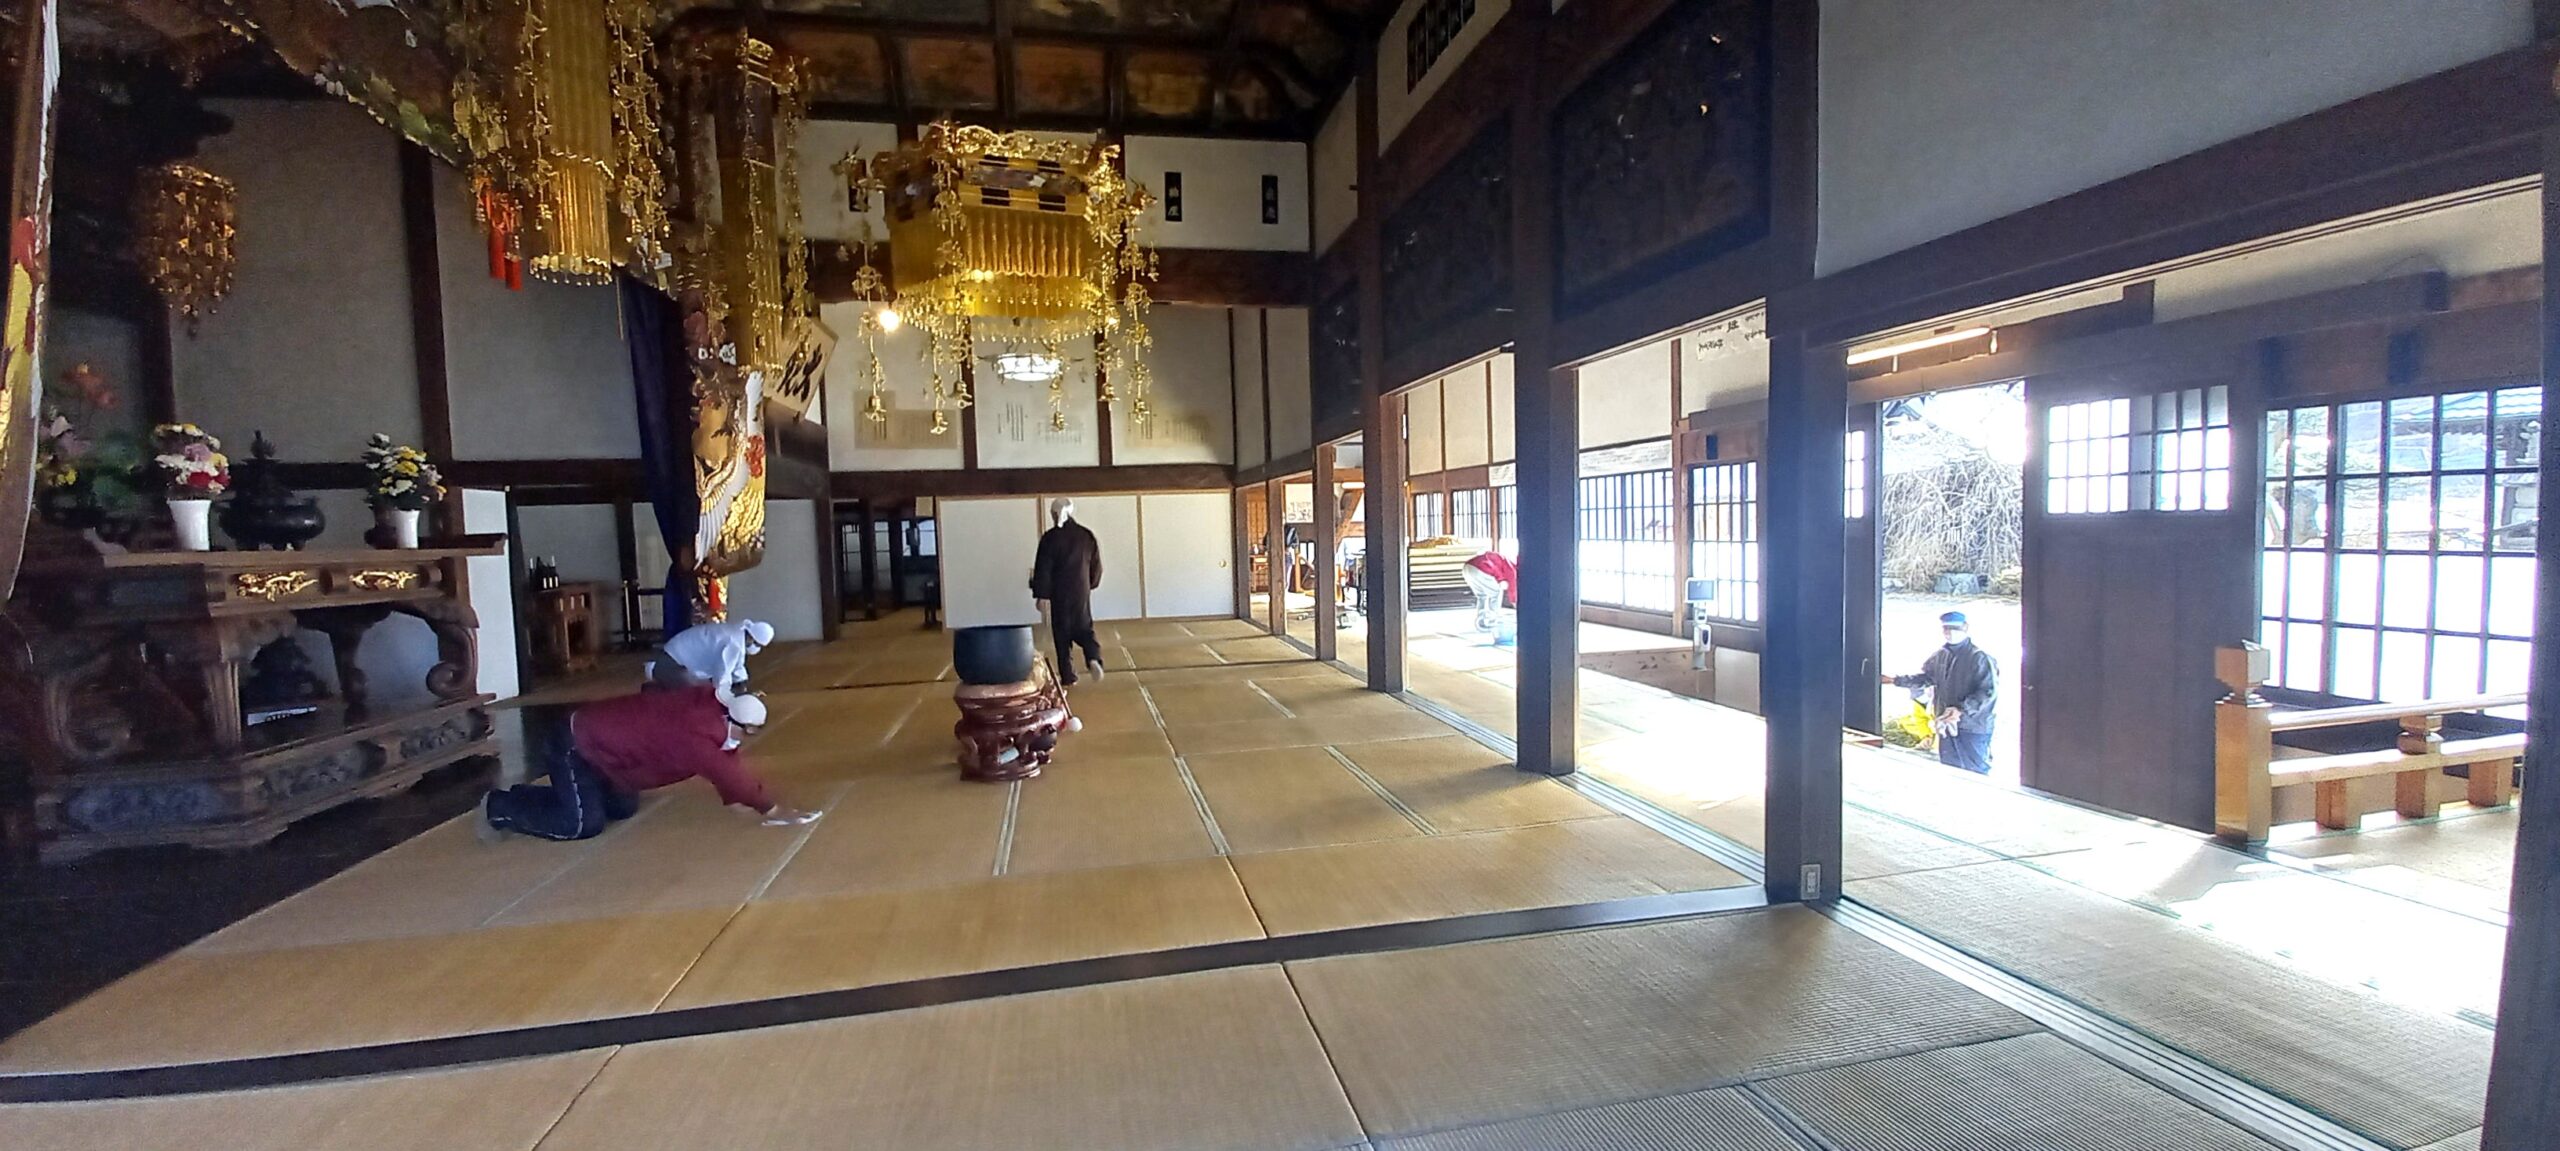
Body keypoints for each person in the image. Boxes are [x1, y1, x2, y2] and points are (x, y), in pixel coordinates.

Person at [480, 688, 819, 841]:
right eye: (749, 732)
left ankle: (551, 794)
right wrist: (770, 808)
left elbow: (724, 759)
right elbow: (723, 768)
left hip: (608, 755)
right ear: (738, 723)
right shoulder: (697, 734)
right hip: (575, 742)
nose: (748, 738)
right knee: (581, 825)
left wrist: (733, 799)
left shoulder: (710, 710)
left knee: (623, 807)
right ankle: (501, 805)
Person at [1884, 610, 1999, 774]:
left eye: (1955, 628)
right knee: (1950, 770)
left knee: (1976, 771)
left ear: (1966, 627)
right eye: (1946, 628)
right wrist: (1894, 680)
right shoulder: (1939, 656)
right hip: (1945, 724)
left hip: (1973, 726)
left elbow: (1987, 692)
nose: (1950, 632)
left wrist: (1960, 710)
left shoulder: (1980, 658)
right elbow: (1926, 678)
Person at [1030, 498, 1106, 685]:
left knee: (1062, 634)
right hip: (1081, 590)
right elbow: (1096, 566)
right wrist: (1090, 584)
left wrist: (1041, 595)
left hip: (1060, 592)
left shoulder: (1050, 538)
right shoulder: (1086, 535)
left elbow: (1043, 569)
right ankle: (1093, 658)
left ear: (1054, 514)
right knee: (1084, 628)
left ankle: (1068, 675)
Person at [649, 617, 775, 702]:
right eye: (758, 645)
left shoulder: (737, 634)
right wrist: (729, 699)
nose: (756, 648)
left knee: (701, 689)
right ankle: (654, 687)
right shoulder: (733, 643)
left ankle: (655, 687)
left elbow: (737, 667)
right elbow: (722, 674)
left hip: (673, 659)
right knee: (696, 698)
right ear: (752, 638)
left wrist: (743, 690)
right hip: (672, 663)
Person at [1460, 551, 1518, 631]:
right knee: (1496, 593)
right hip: (1481, 568)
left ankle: (1481, 619)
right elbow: (1512, 585)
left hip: (1467, 568)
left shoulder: (1502, 558)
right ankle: (1493, 620)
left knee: (1481, 596)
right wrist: (1514, 602)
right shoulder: (1513, 569)